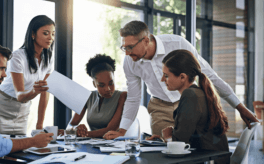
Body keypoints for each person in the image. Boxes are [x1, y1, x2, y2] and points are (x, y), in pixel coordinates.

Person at [103, 20, 258, 139]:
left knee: (191, 150)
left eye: (130, 47)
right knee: (164, 152)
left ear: (146, 40)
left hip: (187, 104)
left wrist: (240, 108)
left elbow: (209, 75)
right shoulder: (130, 62)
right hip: (159, 108)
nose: (127, 53)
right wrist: (122, 131)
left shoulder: (177, 44)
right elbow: (134, 97)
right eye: (124, 48)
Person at [149, 50, 230, 164]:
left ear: (182, 77)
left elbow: (180, 143)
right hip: (212, 158)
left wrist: (167, 137)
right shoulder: (199, 93)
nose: (163, 79)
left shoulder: (190, 95)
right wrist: (163, 139)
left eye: (166, 75)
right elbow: (189, 136)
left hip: (207, 160)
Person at [0, 15, 55, 135]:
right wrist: (35, 91)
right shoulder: (17, 56)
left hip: (23, 110)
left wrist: (39, 125)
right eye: (46, 33)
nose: (50, 38)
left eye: (53, 34)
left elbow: (45, 92)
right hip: (2, 106)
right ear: (33, 34)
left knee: (19, 149)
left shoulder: (48, 58)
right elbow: (20, 95)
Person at [68, 54, 127, 138]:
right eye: (101, 85)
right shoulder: (87, 96)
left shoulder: (122, 96)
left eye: (111, 83)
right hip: (92, 145)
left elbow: (110, 129)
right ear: (94, 84)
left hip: (115, 146)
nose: (108, 89)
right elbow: (71, 125)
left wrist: (84, 134)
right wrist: (76, 129)